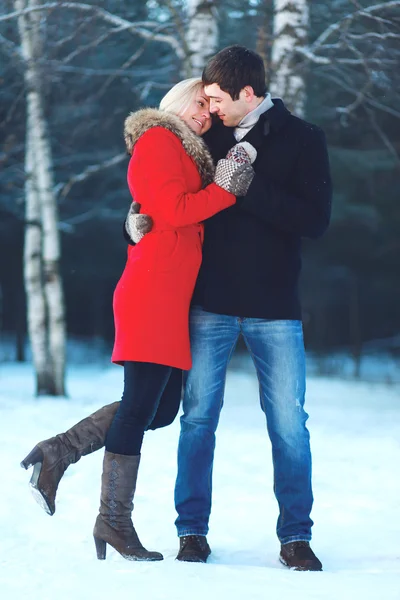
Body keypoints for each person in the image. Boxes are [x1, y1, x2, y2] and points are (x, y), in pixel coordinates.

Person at [22, 43, 332, 571]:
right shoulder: (198, 134)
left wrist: (248, 188)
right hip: (202, 302)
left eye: (216, 100)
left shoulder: (301, 138)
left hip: (273, 302)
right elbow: (163, 199)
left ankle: (295, 538)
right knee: (193, 421)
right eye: (204, 100)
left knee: (287, 424)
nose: (208, 110)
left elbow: (314, 221)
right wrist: (131, 224)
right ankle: (191, 532)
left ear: (247, 93)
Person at [20, 77, 257, 562]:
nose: (205, 114)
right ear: (175, 102)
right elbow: (173, 209)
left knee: (162, 409)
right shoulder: (158, 140)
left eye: (211, 110)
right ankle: (113, 520)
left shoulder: (182, 150)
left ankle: (60, 450)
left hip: (171, 294)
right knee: (139, 406)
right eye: (199, 103)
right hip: (153, 292)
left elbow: (156, 210)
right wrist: (225, 189)